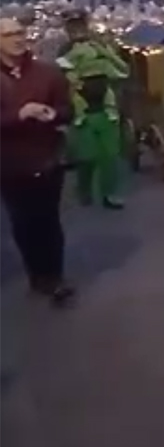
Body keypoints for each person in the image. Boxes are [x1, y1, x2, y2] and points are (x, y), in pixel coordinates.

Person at [0, 16, 75, 306]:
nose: (17, 39)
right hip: (10, 165)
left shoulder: (48, 73)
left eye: (20, 33)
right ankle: (36, 273)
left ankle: (55, 277)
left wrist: (53, 114)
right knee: (23, 222)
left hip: (47, 159)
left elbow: (68, 110)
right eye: (8, 35)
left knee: (49, 220)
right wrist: (19, 115)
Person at [59, 9, 130, 209]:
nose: (77, 28)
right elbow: (59, 75)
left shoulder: (100, 44)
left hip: (106, 108)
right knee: (86, 157)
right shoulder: (64, 50)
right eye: (72, 25)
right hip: (81, 109)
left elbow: (119, 68)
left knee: (110, 156)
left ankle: (110, 194)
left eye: (80, 24)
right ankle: (84, 190)